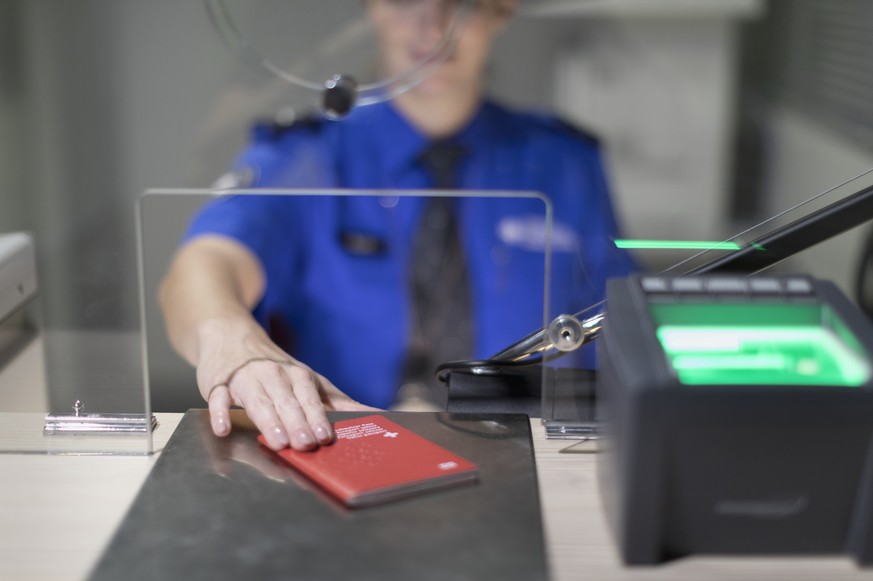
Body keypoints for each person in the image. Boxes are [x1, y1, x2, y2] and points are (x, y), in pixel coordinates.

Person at [160, 0, 634, 452]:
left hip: (534, 459)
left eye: (459, 2)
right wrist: (232, 340)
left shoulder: (563, 162)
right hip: (341, 453)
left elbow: (623, 325)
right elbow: (208, 260)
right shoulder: (307, 155)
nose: (431, 24)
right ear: (373, 7)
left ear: (499, 9)